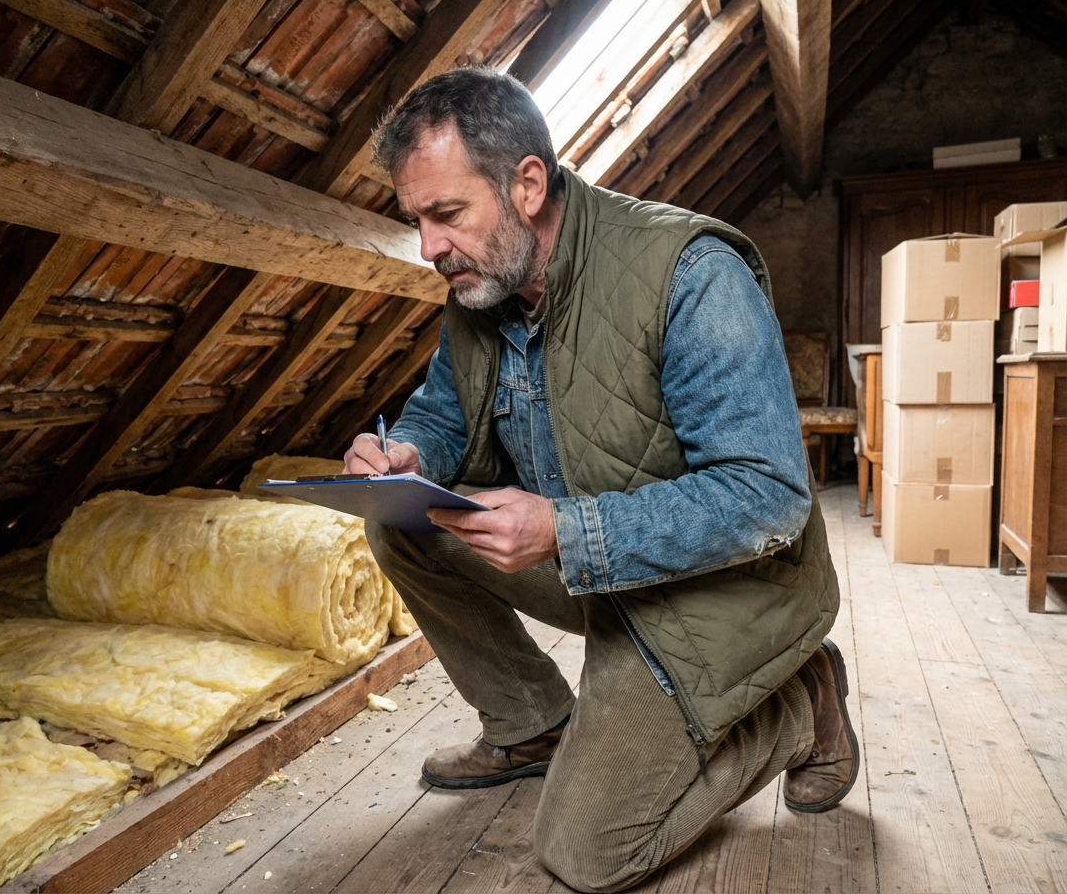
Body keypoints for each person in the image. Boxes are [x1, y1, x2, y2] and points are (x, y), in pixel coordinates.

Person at [343, 67, 858, 894]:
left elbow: (769, 495)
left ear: (529, 184)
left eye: (446, 214)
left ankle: (801, 707)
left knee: (589, 853)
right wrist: (406, 455)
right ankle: (531, 725)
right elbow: (442, 412)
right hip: (596, 569)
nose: (429, 247)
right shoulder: (485, 279)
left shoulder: (689, 273)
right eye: (416, 220)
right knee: (397, 520)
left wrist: (563, 531)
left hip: (722, 591)